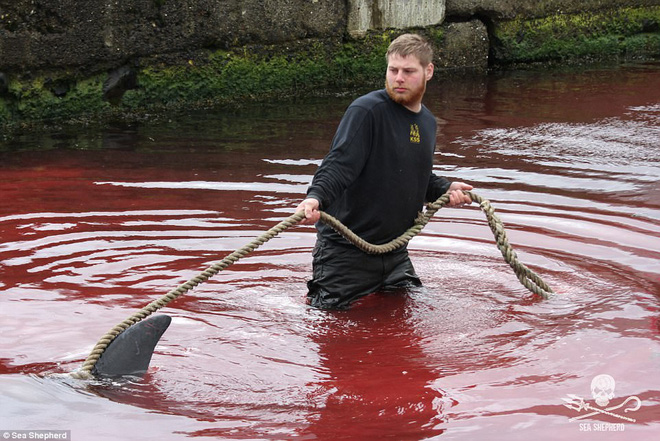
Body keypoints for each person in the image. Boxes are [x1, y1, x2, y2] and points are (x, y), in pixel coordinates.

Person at [296, 33, 473, 310]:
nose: (399, 78)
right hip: (344, 255)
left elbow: (413, 176)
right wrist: (315, 197)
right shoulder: (367, 110)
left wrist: (444, 189)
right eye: (393, 70)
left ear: (429, 71)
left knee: (414, 312)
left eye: (408, 71)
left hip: (394, 254)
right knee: (329, 328)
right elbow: (339, 165)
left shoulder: (426, 121)